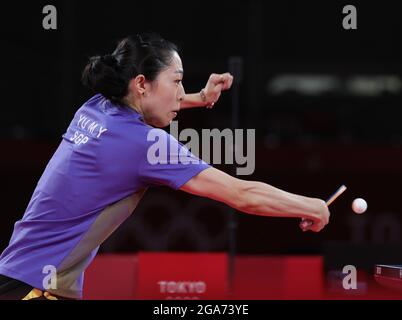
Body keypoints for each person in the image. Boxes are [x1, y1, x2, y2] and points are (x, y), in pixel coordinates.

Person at [0, 33, 330, 300]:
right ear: (142, 83)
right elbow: (242, 193)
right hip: (33, 289)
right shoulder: (144, 145)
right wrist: (311, 205)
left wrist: (199, 98)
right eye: (176, 82)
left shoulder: (95, 107)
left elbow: (144, 105)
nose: (180, 94)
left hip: (21, 273)